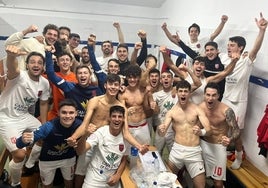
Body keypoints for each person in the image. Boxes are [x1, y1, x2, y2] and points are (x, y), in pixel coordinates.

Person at [220, 12, 268, 169]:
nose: (228, 47)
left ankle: (239, 157)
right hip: (225, 99)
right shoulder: (225, 59)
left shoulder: (246, 61)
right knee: (222, 127)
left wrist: (261, 31)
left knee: (236, 133)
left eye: (232, 45)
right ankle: (225, 150)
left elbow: (254, 49)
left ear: (240, 48)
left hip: (238, 102)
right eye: (228, 45)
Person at [0, 45, 50, 188]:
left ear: (43, 67)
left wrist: (44, 124)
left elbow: (44, 103)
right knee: (20, 154)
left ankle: (29, 165)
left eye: (39, 63)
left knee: (44, 134)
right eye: (32, 62)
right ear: (27, 65)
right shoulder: (19, 75)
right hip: (6, 118)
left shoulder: (44, 83)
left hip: (24, 116)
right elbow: (12, 68)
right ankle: (15, 183)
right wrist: (11, 56)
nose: (36, 65)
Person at [16, 99, 81, 188]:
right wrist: (22, 140)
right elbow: (19, 145)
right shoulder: (48, 127)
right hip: (48, 160)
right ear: (58, 113)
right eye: (64, 112)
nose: (67, 116)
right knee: (47, 185)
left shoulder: (79, 125)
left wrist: (77, 142)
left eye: (71, 113)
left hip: (68, 159)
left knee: (69, 183)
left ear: (76, 114)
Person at [158, 80, 211, 188]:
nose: (183, 94)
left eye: (185, 91)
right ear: (176, 92)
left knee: (201, 186)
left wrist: (201, 132)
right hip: (177, 150)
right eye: (180, 91)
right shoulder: (172, 111)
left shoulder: (197, 109)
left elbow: (209, 130)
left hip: (194, 151)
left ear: (189, 93)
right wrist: (161, 129)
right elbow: (162, 133)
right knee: (168, 182)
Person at [160, 45, 239, 104]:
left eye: (202, 64)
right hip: (184, 110)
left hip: (198, 113)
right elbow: (171, 65)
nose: (199, 66)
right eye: (197, 63)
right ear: (192, 66)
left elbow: (225, 73)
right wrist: (164, 53)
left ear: (204, 68)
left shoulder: (207, 80)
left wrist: (234, 61)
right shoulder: (185, 75)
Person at [199, 82, 240, 188]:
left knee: (218, 182)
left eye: (213, 95)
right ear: (204, 95)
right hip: (203, 144)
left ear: (218, 96)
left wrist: (230, 139)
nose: (210, 98)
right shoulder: (200, 107)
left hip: (218, 147)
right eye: (208, 95)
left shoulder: (226, 111)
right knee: (200, 177)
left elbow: (237, 131)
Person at [75, 105, 128, 188]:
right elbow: (80, 151)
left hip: (112, 179)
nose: (117, 119)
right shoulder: (101, 132)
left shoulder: (126, 136)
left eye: (120, 117)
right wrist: (85, 135)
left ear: (124, 119)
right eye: (114, 116)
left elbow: (124, 159)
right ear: (109, 118)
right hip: (94, 179)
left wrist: (118, 175)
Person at [119, 64, 153, 146]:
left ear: (138, 78)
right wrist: (127, 111)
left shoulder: (143, 90)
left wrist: (152, 103)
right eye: (130, 77)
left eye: (135, 77)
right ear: (126, 78)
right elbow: (122, 111)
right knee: (128, 154)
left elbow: (151, 102)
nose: (132, 80)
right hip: (129, 126)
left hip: (143, 125)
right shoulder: (123, 93)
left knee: (146, 149)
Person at [46, 52, 77, 121]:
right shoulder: (53, 76)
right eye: (62, 60)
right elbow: (38, 76)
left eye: (67, 60)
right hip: (54, 113)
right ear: (57, 63)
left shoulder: (77, 78)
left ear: (71, 63)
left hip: (70, 115)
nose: (65, 62)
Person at [152, 70, 178, 154]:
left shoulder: (178, 93)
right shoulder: (156, 95)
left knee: (174, 154)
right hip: (161, 127)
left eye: (168, 77)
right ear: (160, 80)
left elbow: (194, 84)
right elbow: (155, 111)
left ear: (172, 80)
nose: (166, 79)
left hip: (174, 128)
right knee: (157, 152)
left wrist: (176, 88)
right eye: (163, 77)